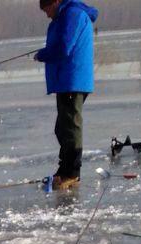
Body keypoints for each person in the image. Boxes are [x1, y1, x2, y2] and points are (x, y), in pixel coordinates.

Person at [35, 0, 99, 190]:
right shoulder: (64, 15)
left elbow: (64, 48)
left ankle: (71, 173)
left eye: (47, 10)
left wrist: (43, 55)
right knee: (62, 128)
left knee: (70, 127)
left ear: (55, 2)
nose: (47, 15)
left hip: (73, 78)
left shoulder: (72, 14)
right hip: (66, 80)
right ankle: (64, 169)